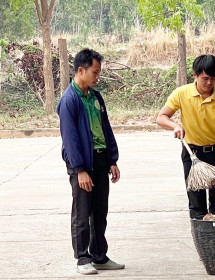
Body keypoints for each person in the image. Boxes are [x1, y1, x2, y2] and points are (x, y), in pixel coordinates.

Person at [57, 49, 124, 275]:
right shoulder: (69, 100)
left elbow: (105, 129)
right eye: (95, 72)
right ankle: (82, 258)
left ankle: (99, 256)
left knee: (99, 212)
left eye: (99, 72)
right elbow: (70, 140)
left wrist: (112, 160)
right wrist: (79, 170)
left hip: (101, 160)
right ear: (81, 70)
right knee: (82, 213)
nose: (97, 77)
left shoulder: (95, 97)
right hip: (82, 164)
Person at [156, 54, 215, 220]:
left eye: (213, 78)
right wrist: (175, 126)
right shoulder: (181, 94)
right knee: (196, 205)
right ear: (195, 75)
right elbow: (161, 117)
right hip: (192, 154)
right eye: (205, 78)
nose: (209, 83)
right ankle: (201, 241)